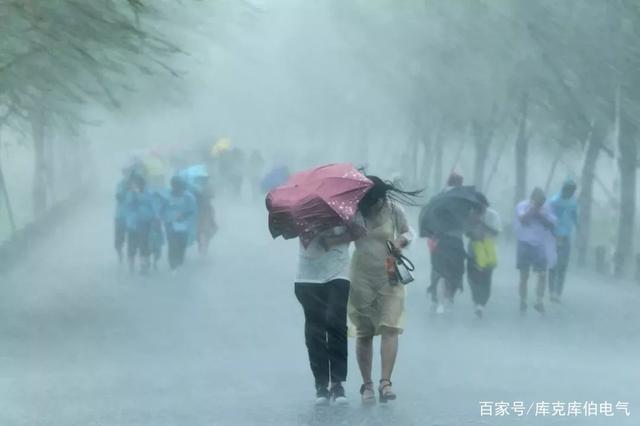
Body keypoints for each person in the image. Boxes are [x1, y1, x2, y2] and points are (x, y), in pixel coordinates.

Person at [348, 176, 420, 404]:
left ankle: (385, 382)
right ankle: (367, 384)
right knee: (365, 331)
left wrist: (401, 242)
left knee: (391, 326)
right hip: (361, 276)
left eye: (375, 201)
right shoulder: (353, 213)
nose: (372, 205)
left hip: (389, 274)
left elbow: (409, 232)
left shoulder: (393, 209)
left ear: (382, 197)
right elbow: (343, 236)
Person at [295, 226, 359, 406]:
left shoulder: (345, 205)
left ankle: (337, 383)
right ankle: (321, 385)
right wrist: (317, 230)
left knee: (336, 324)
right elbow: (296, 235)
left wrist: (333, 239)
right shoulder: (303, 208)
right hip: (308, 276)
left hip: (338, 272)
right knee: (315, 330)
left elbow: (359, 231)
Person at [428, 172, 466, 314]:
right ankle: (448, 296)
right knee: (455, 268)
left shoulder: (438, 198)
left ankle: (436, 296)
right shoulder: (461, 200)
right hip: (452, 239)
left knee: (438, 268)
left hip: (439, 238)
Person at [515, 188, 557, 314]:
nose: (540, 205)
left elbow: (552, 224)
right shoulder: (522, 205)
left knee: (543, 274)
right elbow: (523, 220)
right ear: (532, 198)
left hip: (539, 245)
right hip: (524, 243)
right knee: (524, 276)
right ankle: (523, 300)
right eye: (538, 202)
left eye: (542, 203)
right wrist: (533, 211)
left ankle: (539, 300)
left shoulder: (546, 208)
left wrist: (540, 214)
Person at [466, 196, 502, 318]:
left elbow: (496, 232)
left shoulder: (492, 215)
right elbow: (466, 232)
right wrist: (472, 225)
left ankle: (481, 304)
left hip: (488, 249)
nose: (479, 208)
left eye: (481, 206)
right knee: (472, 277)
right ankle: (476, 301)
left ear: (486, 205)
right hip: (473, 249)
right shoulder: (470, 214)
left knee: (486, 278)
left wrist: (482, 224)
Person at [548, 179, 578, 303]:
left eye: (573, 191)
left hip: (566, 236)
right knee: (553, 265)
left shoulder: (573, 202)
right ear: (564, 189)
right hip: (553, 236)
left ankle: (558, 293)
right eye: (570, 190)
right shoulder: (554, 201)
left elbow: (575, 217)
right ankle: (551, 292)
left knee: (563, 266)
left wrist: (579, 228)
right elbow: (549, 218)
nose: (571, 193)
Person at [124, 174, 155, 274]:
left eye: (136, 184)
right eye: (132, 184)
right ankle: (131, 265)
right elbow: (128, 204)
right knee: (131, 244)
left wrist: (138, 193)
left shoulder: (148, 192)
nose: (134, 186)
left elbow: (148, 202)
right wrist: (134, 194)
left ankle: (144, 265)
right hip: (132, 223)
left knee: (144, 244)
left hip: (144, 223)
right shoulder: (129, 193)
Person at [163, 176, 197, 271]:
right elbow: (162, 210)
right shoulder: (166, 196)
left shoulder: (189, 197)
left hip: (184, 226)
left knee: (182, 245)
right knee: (172, 245)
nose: (178, 190)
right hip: (170, 225)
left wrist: (183, 216)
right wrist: (168, 217)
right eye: (176, 187)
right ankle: (173, 266)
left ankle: (180, 263)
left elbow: (193, 211)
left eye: (180, 187)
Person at [196, 179, 218, 256]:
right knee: (201, 230)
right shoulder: (195, 188)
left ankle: (203, 247)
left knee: (206, 229)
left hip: (206, 210)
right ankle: (202, 246)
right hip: (200, 211)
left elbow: (213, 196)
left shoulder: (207, 187)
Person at [114, 169, 131, 264]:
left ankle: (130, 256)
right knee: (119, 239)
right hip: (120, 216)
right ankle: (120, 253)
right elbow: (118, 197)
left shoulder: (138, 185)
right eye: (126, 173)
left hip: (132, 218)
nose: (127, 175)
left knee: (132, 239)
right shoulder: (120, 184)